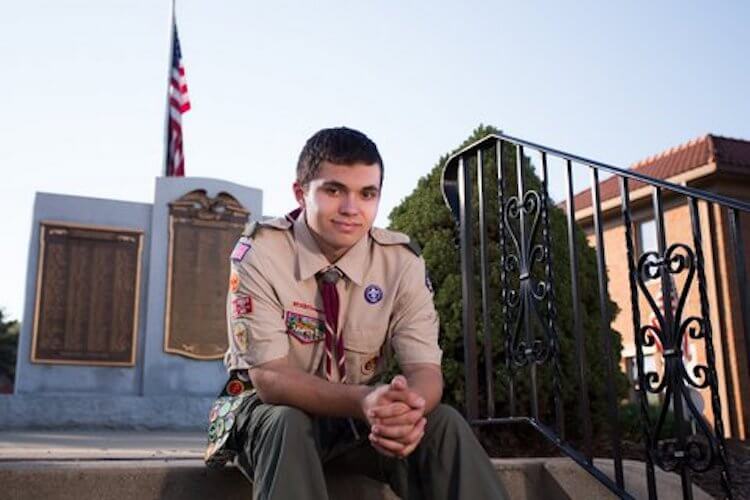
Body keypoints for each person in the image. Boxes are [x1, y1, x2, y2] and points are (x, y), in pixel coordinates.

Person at [206, 127, 508, 500]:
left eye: (367, 194)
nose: (352, 209)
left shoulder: (400, 263)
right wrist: (364, 401)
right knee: (288, 422)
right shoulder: (261, 252)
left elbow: (425, 372)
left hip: (360, 419)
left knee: (443, 422)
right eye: (334, 191)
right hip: (269, 415)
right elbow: (271, 378)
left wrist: (404, 411)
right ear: (301, 193)